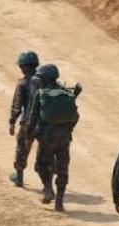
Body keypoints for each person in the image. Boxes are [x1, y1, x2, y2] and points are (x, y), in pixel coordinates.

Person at [25, 64, 82, 211]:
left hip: (46, 137)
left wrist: (29, 135)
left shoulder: (41, 93)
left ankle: (48, 189)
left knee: (41, 165)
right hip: (64, 138)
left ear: (44, 79)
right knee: (63, 169)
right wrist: (68, 129)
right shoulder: (66, 93)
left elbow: (32, 117)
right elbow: (75, 116)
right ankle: (59, 202)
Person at [8, 51, 41, 187]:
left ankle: (19, 178)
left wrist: (12, 121)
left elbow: (17, 105)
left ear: (23, 67)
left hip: (28, 123)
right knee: (46, 152)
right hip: (44, 123)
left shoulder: (23, 83)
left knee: (22, 148)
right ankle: (47, 184)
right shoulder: (45, 80)